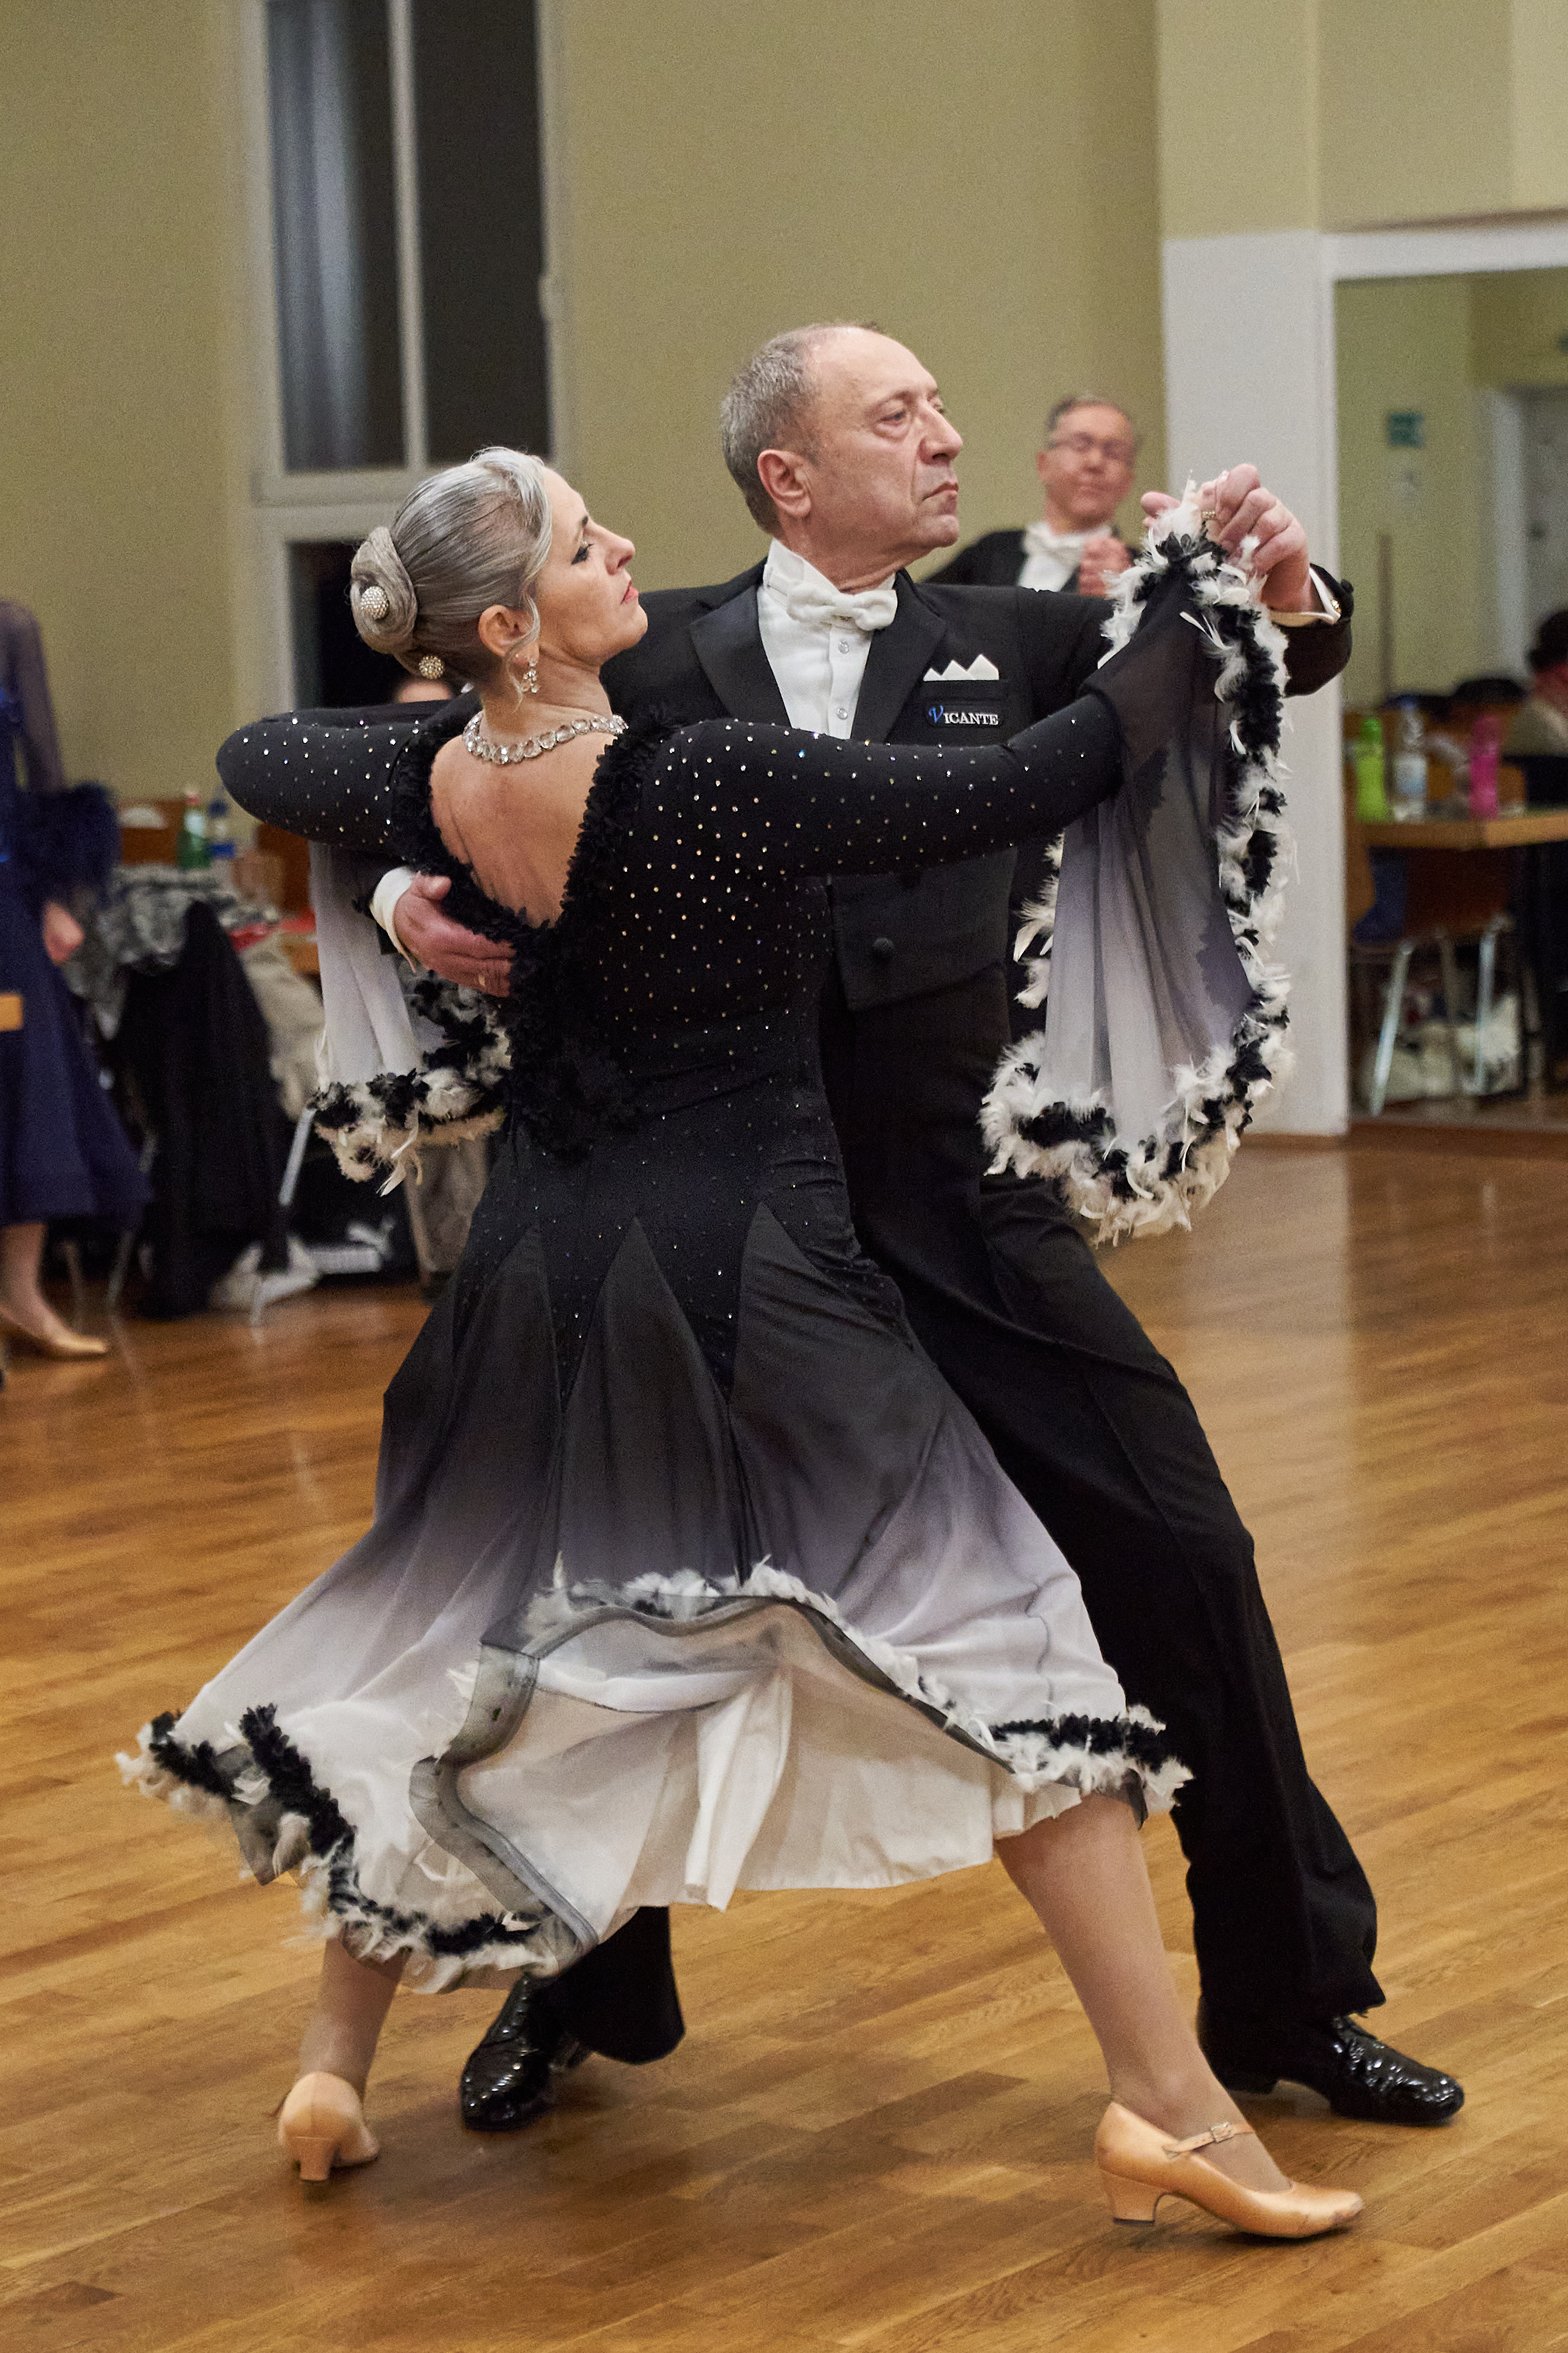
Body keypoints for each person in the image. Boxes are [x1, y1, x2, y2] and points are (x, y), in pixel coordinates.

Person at [232, 326, 1460, 2142]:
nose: (947, 438)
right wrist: (415, 890)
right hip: (715, 1225)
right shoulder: (642, 647)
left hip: (960, 1198)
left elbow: (1231, 666)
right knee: (599, 1601)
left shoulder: (1014, 630)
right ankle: (574, 1994)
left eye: (942, 410)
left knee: (1182, 1556)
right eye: (899, 415)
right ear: (789, 473)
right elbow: (417, 759)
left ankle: (1286, 1999)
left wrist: (1286, 591)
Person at [0, 601, 148, 1364]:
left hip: (4, 906)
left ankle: (21, 1294)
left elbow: (47, 779)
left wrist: (58, 895)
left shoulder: (10, 629)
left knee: (28, 1075)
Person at [927, 393, 1139, 599]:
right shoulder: (990, 552)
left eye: (1114, 453)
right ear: (1043, 465)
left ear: (1128, 481)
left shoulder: (1143, 574)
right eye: (1081, 445)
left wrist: (1125, 599)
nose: (1095, 462)